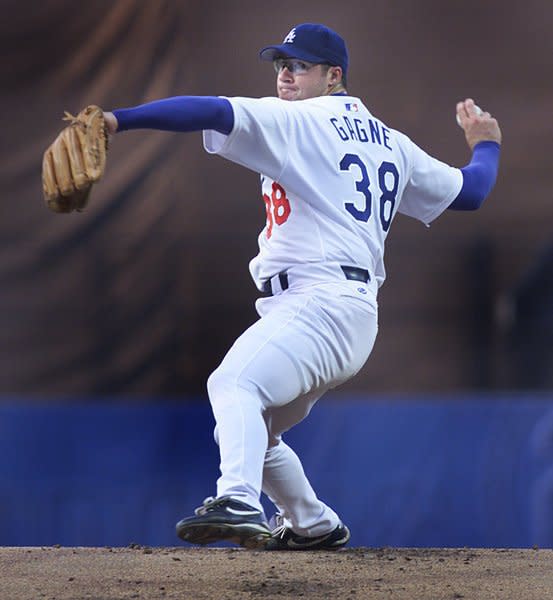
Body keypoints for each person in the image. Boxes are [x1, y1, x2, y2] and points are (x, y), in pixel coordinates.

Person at [103, 23, 502, 550]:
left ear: (334, 76)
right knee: (253, 429)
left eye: (299, 66)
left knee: (233, 385)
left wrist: (118, 119)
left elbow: (213, 110)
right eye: (280, 65)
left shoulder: (300, 121)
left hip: (318, 303)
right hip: (348, 314)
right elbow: (470, 192)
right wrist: (487, 145)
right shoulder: (391, 141)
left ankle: (239, 500)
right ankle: (312, 524)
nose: (284, 75)